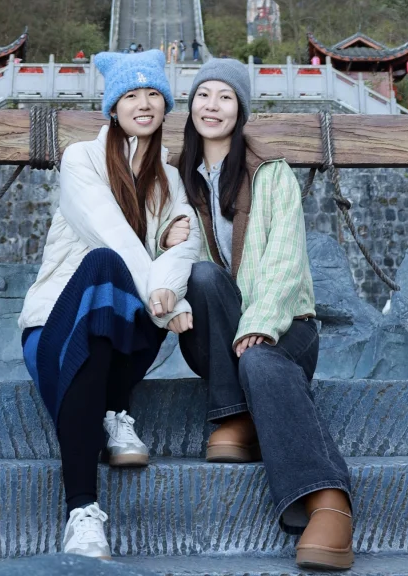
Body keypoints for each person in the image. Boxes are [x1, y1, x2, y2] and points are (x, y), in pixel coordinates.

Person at [168, 57, 353, 570]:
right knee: (202, 277)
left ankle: (328, 501)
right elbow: (170, 263)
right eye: (204, 95)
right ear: (190, 107)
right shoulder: (176, 180)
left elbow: (286, 261)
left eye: (225, 97)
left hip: (287, 326)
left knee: (261, 362)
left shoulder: (271, 175)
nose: (212, 106)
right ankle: (234, 415)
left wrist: (260, 323)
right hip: (216, 336)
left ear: (241, 109)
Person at [19, 49, 200, 560]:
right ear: (113, 108)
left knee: (165, 283)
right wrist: (161, 299)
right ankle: (82, 513)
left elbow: (184, 246)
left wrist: (166, 287)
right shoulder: (81, 160)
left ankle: (113, 410)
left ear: (165, 105)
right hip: (55, 328)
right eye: (130, 96)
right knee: (103, 267)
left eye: (152, 95)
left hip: (116, 334)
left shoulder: (168, 179)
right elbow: (112, 235)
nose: (143, 104)